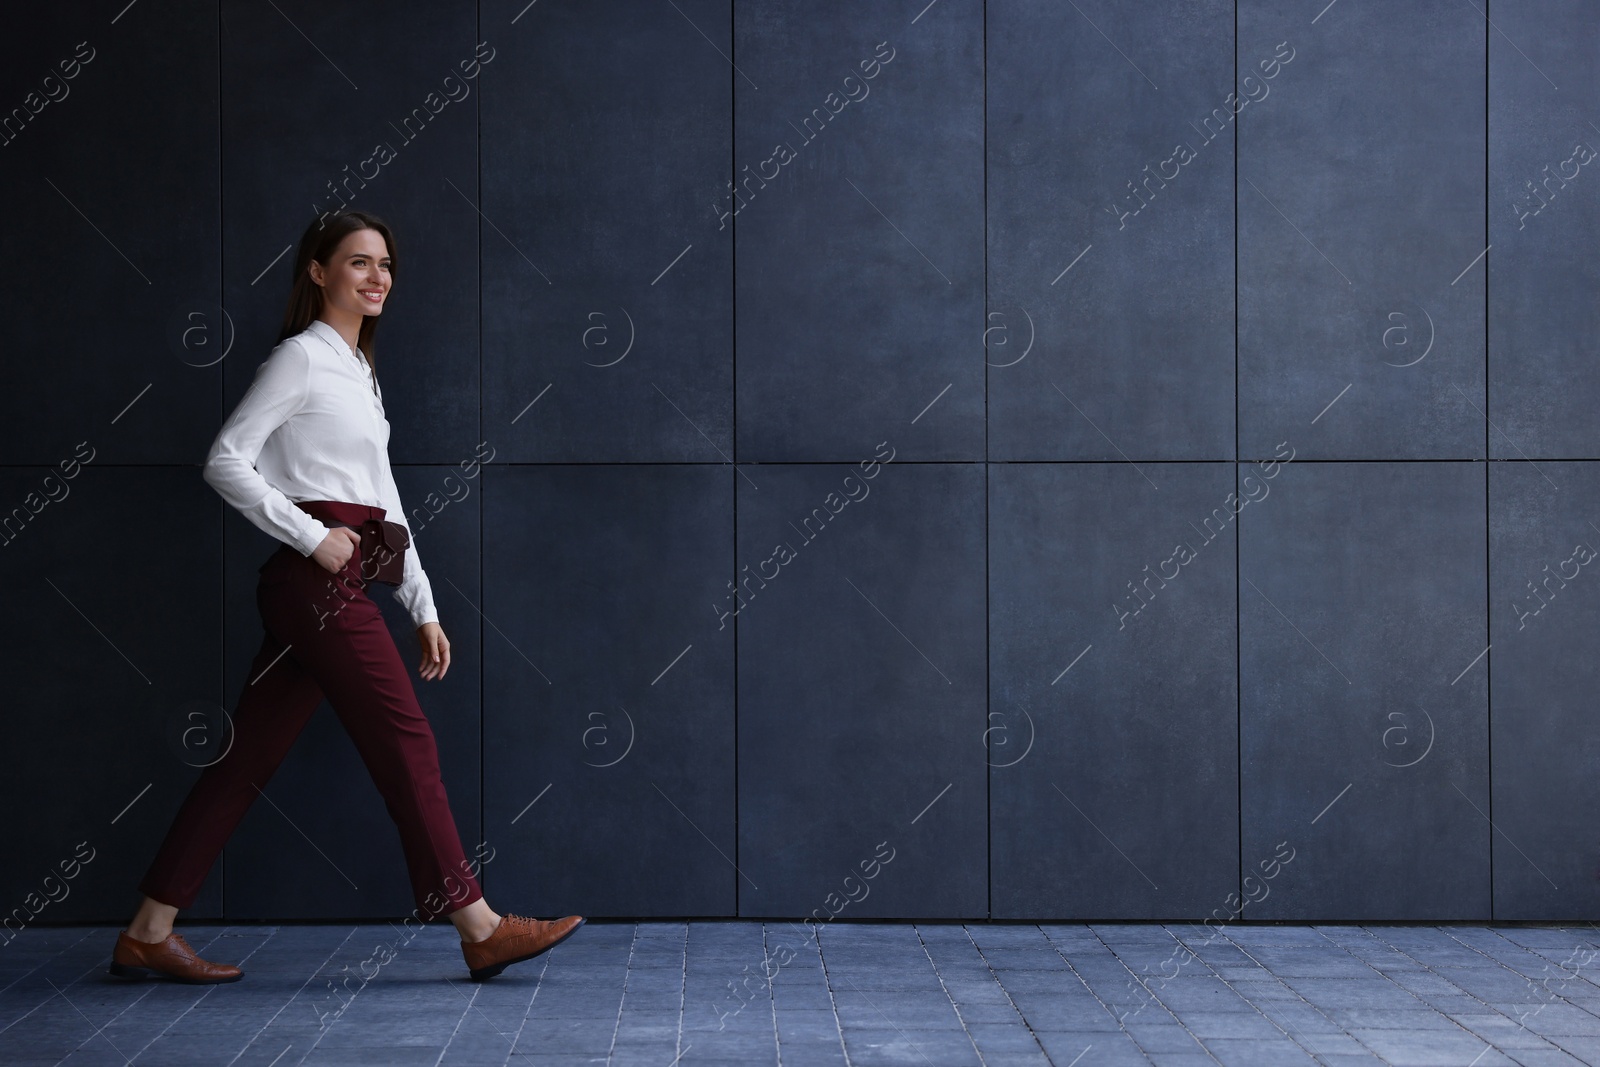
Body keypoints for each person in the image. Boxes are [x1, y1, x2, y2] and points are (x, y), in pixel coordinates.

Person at [110, 210, 582, 984]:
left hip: (344, 579)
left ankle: (146, 930)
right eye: (358, 262)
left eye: (386, 265)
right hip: (315, 582)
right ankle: (480, 925)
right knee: (408, 741)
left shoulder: (359, 371)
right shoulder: (299, 359)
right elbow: (226, 460)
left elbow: (383, 498)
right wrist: (307, 534)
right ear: (317, 272)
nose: (376, 278)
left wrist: (422, 604)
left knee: (244, 759)